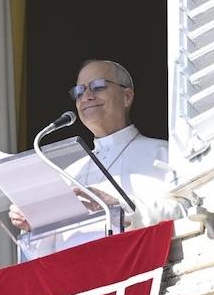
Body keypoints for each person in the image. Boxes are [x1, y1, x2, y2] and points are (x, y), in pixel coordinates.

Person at [9, 59, 185, 260]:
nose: (86, 96)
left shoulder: (165, 153)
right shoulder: (70, 174)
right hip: (74, 275)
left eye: (98, 86)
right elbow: (47, 254)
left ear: (126, 97)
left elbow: (188, 212)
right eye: (79, 91)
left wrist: (121, 209)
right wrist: (34, 226)